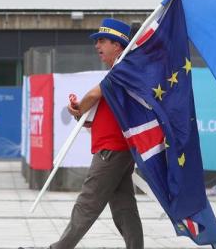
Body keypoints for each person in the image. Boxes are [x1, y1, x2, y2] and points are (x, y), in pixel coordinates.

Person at [43, 18, 142, 249]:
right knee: (124, 207)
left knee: (87, 203)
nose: (97, 46)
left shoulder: (122, 69)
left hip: (111, 150)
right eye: (97, 41)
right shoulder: (123, 71)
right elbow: (109, 114)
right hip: (118, 148)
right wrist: (83, 116)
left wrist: (79, 107)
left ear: (118, 45)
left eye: (103, 41)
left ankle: (59, 247)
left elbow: (94, 94)